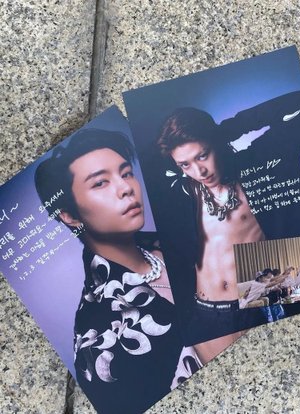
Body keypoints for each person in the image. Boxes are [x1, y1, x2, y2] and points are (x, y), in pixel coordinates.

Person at [156, 91, 300, 360]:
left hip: (258, 302)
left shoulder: (258, 167)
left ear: (216, 143)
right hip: (205, 310)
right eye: (185, 165)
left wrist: (228, 129)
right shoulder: (183, 192)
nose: (199, 172)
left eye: (203, 156)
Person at [34, 129, 201, 414]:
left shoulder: (181, 238)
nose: (126, 188)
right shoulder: (99, 338)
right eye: (100, 182)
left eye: (126, 173)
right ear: (70, 215)